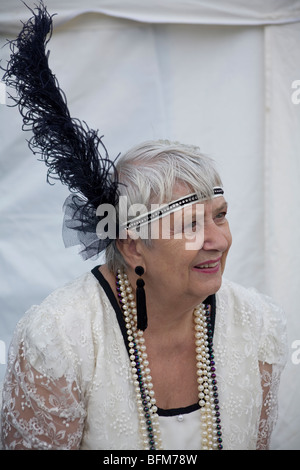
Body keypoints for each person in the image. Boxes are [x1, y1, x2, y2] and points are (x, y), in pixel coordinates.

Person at [0, 4, 287, 451]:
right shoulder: (59, 340)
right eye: (191, 223)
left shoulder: (257, 326)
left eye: (221, 215)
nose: (219, 240)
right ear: (133, 245)